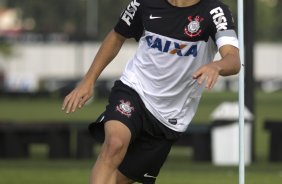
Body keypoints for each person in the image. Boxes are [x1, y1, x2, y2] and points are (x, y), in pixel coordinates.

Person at [62, 0, 241, 183]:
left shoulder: (215, 11)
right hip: (134, 89)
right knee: (114, 143)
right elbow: (117, 36)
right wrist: (89, 80)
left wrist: (216, 66)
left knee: (116, 180)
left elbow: (234, 60)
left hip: (170, 117)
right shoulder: (143, 2)